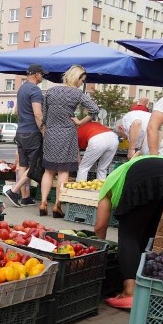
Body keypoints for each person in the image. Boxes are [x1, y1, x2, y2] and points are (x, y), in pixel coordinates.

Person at [95, 155, 163, 309]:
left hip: (145, 178)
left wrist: (99, 250)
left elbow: (100, 226)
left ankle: (129, 292)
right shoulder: (126, 170)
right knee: (159, 237)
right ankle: (156, 288)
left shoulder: (108, 183)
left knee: (129, 236)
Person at [39, 64, 99, 217]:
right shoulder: (77, 94)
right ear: (77, 78)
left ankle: (43, 202)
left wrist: (46, 130)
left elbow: (44, 116)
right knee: (63, 171)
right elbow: (94, 110)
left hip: (51, 134)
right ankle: (57, 205)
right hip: (67, 134)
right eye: (82, 80)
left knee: (48, 171)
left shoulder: (51, 91)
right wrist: (80, 122)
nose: (82, 83)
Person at [3, 63, 45, 208]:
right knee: (34, 166)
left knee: (23, 165)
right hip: (32, 132)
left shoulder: (21, 89)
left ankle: (25, 197)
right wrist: (43, 131)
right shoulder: (35, 90)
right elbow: (38, 113)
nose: (43, 76)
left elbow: (16, 111)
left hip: (20, 132)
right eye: (41, 74)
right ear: (36, 74)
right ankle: (14, 191)